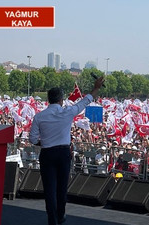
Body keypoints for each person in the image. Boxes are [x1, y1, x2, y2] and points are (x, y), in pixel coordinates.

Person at [29, 76, 104, 225]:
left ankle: (52, 220)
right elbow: (85, 101)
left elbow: (32, 139)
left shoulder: (39, 117)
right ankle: (61, 215)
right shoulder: (68, 112)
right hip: (63, 154)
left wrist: (43, 142)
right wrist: (96, 88)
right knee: (62, 187)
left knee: (49, 190)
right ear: (61, 100)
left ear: (49, 100)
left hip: (47, 153)